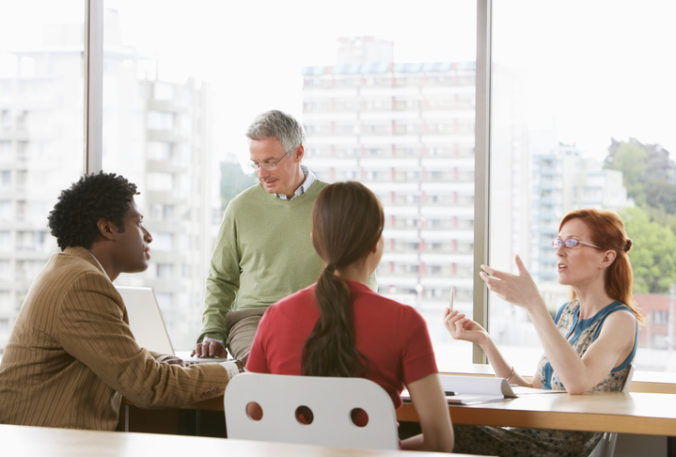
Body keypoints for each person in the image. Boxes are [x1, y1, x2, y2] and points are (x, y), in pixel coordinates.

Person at [0, 172, 239, 430]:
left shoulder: (68, 270)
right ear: (108, 228)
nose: (148, 236)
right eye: (138, 222)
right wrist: (235, 372)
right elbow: (149, 386)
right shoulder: (82, 284)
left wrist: (178, 364)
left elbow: (126, 358)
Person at [246, 181, 454, 452]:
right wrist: (388, 450)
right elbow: (440, 441)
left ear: (314, 241)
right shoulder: (404, 322)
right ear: (376, 244)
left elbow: (251, 416)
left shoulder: (276, 316)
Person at [444, 208, 641, 457]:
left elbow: (578, 382)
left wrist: (533, 303)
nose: (559, 250)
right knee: (431, 428)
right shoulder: (567, 313)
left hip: (556, 449)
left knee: (438, 433)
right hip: (526, 434)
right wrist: (485, 341)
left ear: (606, 258)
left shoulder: (620, 320)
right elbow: (534, 391)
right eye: (558, 242)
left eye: (572, 242)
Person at [193, 109, 331, 362]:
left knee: (319, 363)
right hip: (255, 319)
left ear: (298, 153)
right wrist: (212, 331)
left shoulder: (335, 202)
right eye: (256, 164)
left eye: (270, 162)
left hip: (321, 319)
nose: (261, 174)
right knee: (268, 363)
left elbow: (360, 274)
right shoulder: (240, 207)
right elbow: (221, 278)